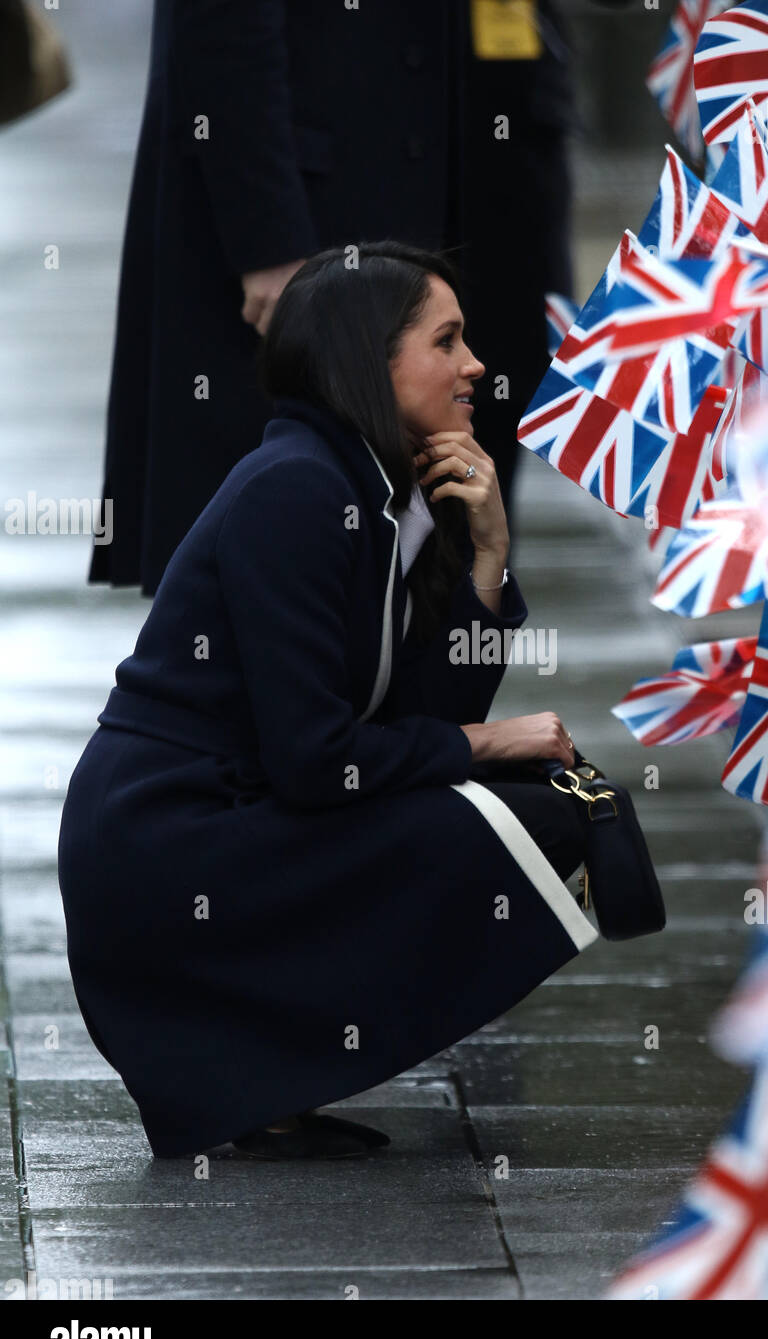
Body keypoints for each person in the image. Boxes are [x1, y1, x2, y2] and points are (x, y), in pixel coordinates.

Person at [58, 242, 602, 1161]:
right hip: (165, 852)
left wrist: (486, 558)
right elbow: (319, 761)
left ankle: (269, 1078)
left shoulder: (365, 483)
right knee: (530, 823)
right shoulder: (300, 489)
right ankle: (255, 1068)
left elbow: (404, 719)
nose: (474, 366)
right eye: (447, 341)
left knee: (549, 811)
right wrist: (483, 743)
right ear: (370, 359)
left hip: (225, 822)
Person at [88, 0, 584, 596]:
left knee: (448, 552)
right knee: (290, 560)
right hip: (326, 205)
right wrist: (268, 238)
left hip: (487, 183)